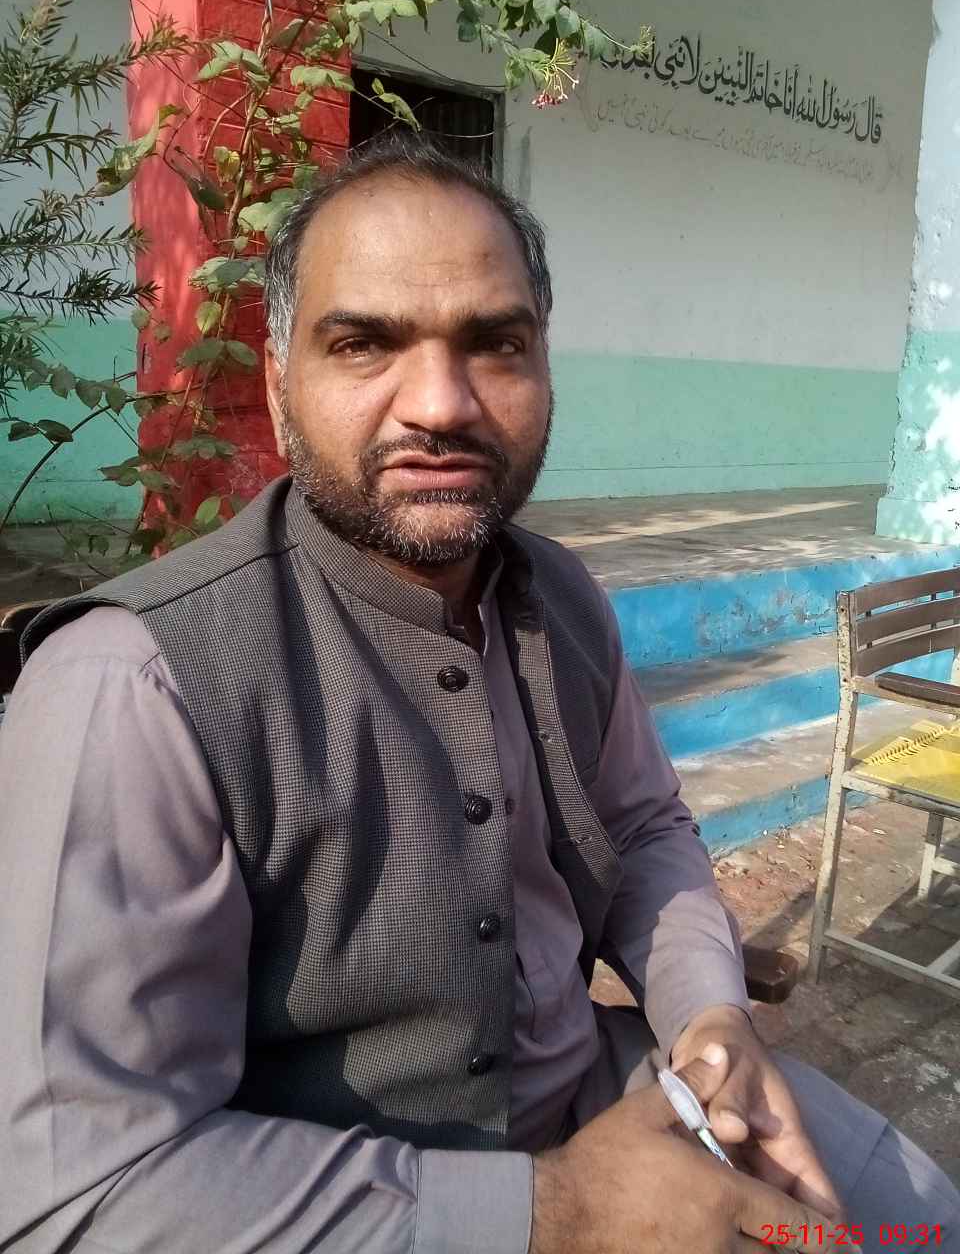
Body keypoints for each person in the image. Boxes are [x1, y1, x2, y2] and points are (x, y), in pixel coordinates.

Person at [0, 138, 956, 1254]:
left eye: (495, 343)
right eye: (364, 342)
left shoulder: (566, 601)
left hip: (617, 1097)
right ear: (277, 381)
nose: (442, 404)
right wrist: (558, 1212)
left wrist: (708, 1013)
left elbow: (644, 827)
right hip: (347, 1211)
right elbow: (79, 1188)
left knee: (916, 1219)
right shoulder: (134, 686)